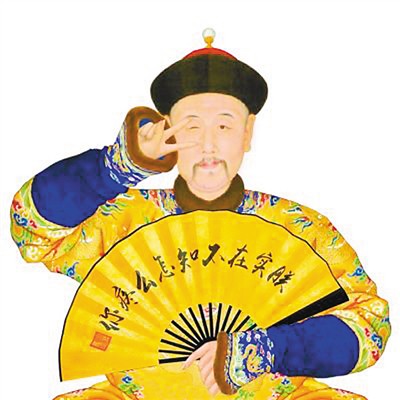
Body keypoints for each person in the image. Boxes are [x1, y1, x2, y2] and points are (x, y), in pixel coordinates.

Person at [10, 29, 390, 400]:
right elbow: (31, 228)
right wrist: (115, 167)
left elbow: (370, 325)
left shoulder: (299, 227)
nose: (208, 145)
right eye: (191, 126)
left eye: (224, 126)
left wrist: (270, 349)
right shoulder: (127, 220)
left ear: (247, 133)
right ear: (167, 131)